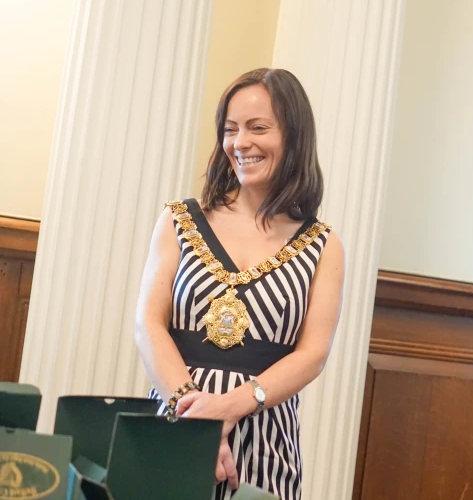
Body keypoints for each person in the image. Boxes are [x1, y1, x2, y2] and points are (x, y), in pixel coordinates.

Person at [134, 68, 345, 500]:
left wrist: (230, 407)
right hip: (177, 426)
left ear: (294, 137)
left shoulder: (324, 244)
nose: (240, 143)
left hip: (265, 443)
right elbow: (148, 325)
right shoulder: (178, 219)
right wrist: (194, 417)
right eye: (230, 130)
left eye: (258, 128)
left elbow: (313, 354)